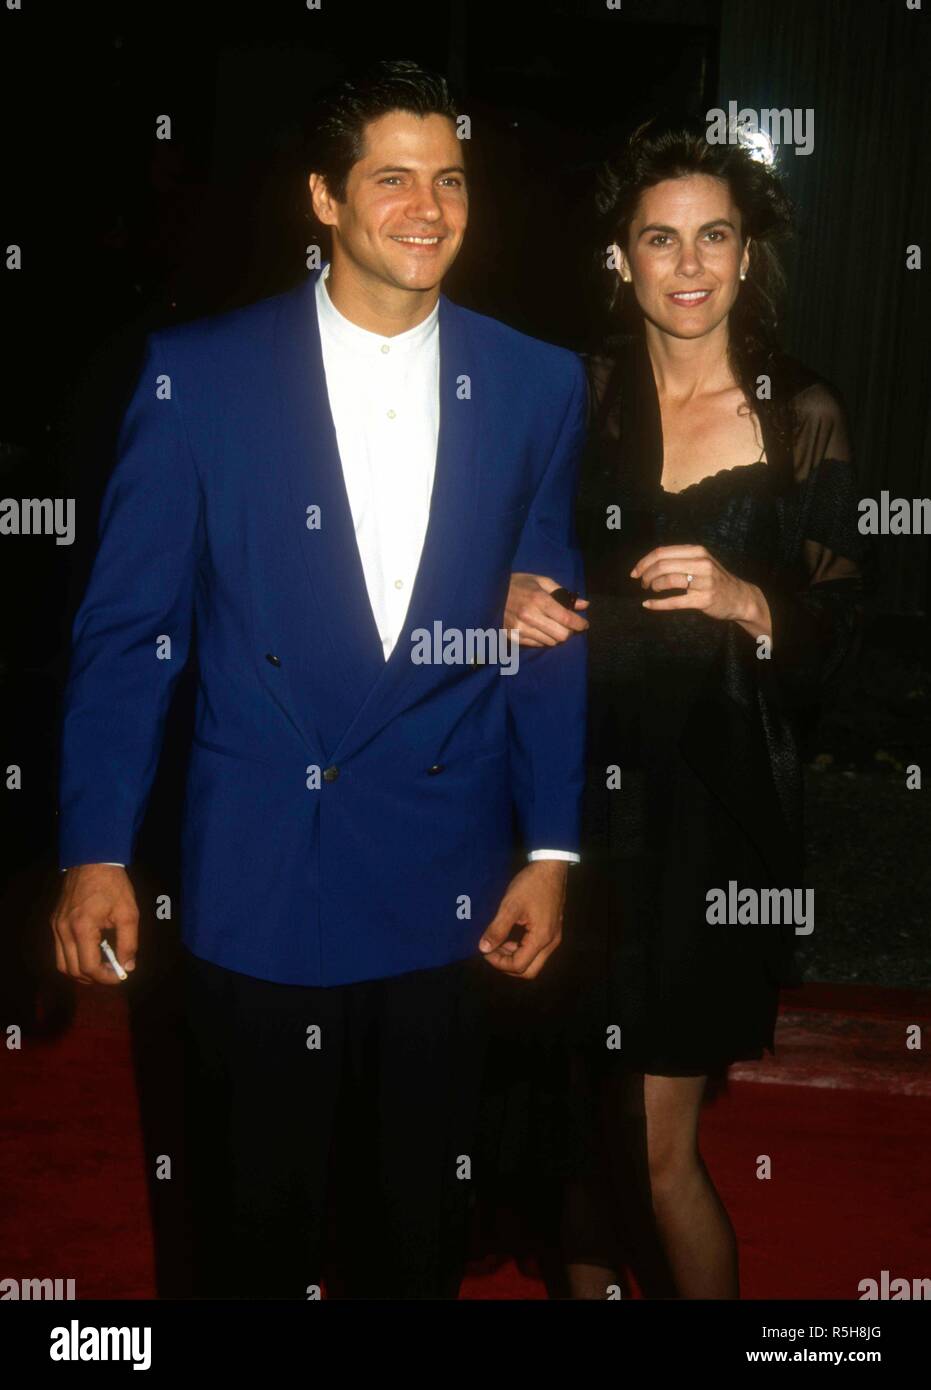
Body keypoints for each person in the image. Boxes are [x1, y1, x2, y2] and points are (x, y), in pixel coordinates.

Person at [50, 59, 588, 1300]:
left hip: (442, 869)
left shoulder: (534, 381)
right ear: (322, 199)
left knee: (415, 1242)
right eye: (391, 177)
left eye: (450, 179)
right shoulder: (201, 376)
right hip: (258, 872)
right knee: (250, 1237)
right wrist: (95, 848)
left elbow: (549, 623)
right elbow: (132, 631)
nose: (428, 207)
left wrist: (552, 849)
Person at [504, 117, 870, 1298]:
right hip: (566, 806)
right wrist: (500, 588)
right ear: (622, 258)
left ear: (747, 251)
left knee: (660, 1153)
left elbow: (844, 633)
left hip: (707, 822)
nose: (690, 263)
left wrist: (745, 595)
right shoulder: (578, 393)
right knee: (571, 1143)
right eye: (659, 239)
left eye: (715, 234)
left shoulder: (798, 410)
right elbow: (503, 542)